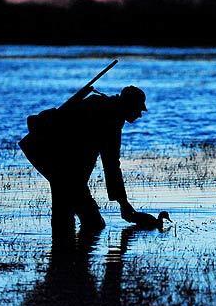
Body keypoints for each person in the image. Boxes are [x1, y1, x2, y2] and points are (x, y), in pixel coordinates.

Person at [24, 85, 146, 238]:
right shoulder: (109, 119)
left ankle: (63, 255)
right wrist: (124, 203)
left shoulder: (101, 106)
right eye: (138, 109)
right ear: (128, 105)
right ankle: (65, 255)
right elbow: (111, 165)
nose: (140, 115)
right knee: (89, 221)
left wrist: (123, 202)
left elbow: (109, 163)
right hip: (55, 159)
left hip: (63, 163)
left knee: (70, 214)